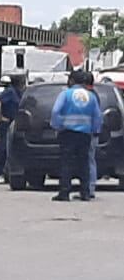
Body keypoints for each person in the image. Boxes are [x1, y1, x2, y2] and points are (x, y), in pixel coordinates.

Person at [50, 71, 101, 202]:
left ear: (72, 81)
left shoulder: (65, 94)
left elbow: (56, 111)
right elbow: (97, 116)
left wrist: (57, 125)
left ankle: (64, 192)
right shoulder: (91, 96)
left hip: (67, 133)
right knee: (84, 163)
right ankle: (85, 192)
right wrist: (95, 130)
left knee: (66, 162)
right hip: (85, 134)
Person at [0, 76, 22, 185]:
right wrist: (1, 115)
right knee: (3, 148)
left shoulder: (19, 92)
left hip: (16, 122)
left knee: (13, 148)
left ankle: (7, 173)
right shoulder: (10, 92)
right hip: (7, 122)